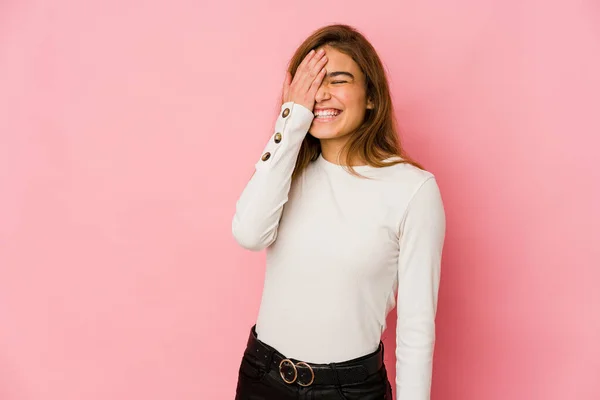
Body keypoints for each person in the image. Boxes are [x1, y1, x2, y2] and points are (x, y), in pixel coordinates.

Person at [231, 23, 446, 400]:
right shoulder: (286, 172)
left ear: (371, 98)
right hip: (262, 379)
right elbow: (249, 234)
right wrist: (291, 119)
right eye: (310, 82)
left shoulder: (413, 189)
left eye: (339, 79)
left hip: (350, 391)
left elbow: (415, 329)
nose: (321, 93)